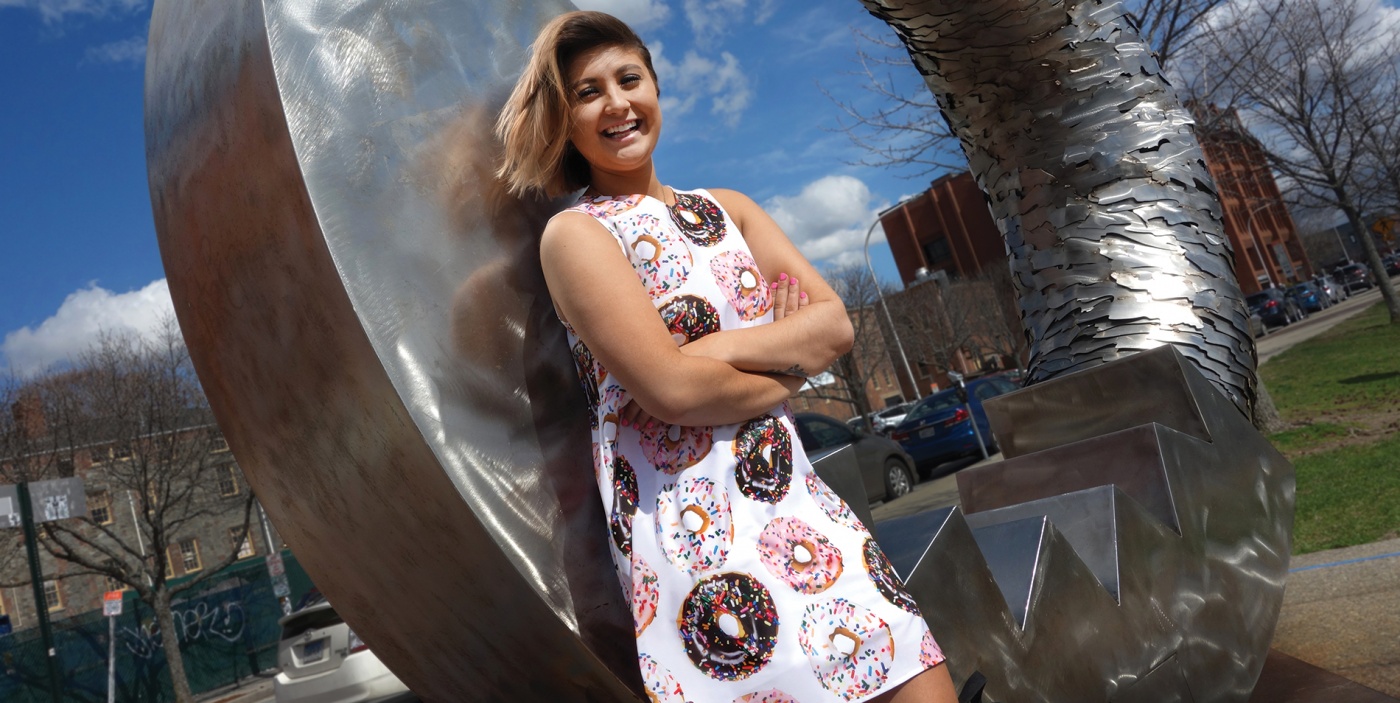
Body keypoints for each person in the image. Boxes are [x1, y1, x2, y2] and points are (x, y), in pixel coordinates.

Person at [495, 11, 957, 703]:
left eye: (629, 78)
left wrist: (713, 353)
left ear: (655, 87)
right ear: (565, 122)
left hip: (802, 508)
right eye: (588, 93)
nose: (617, 103)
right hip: (696, 541)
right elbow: (673, 392)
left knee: (922, 682)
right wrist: (785, 365)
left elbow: (832, 326)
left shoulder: (730, 209)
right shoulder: (575, 236)